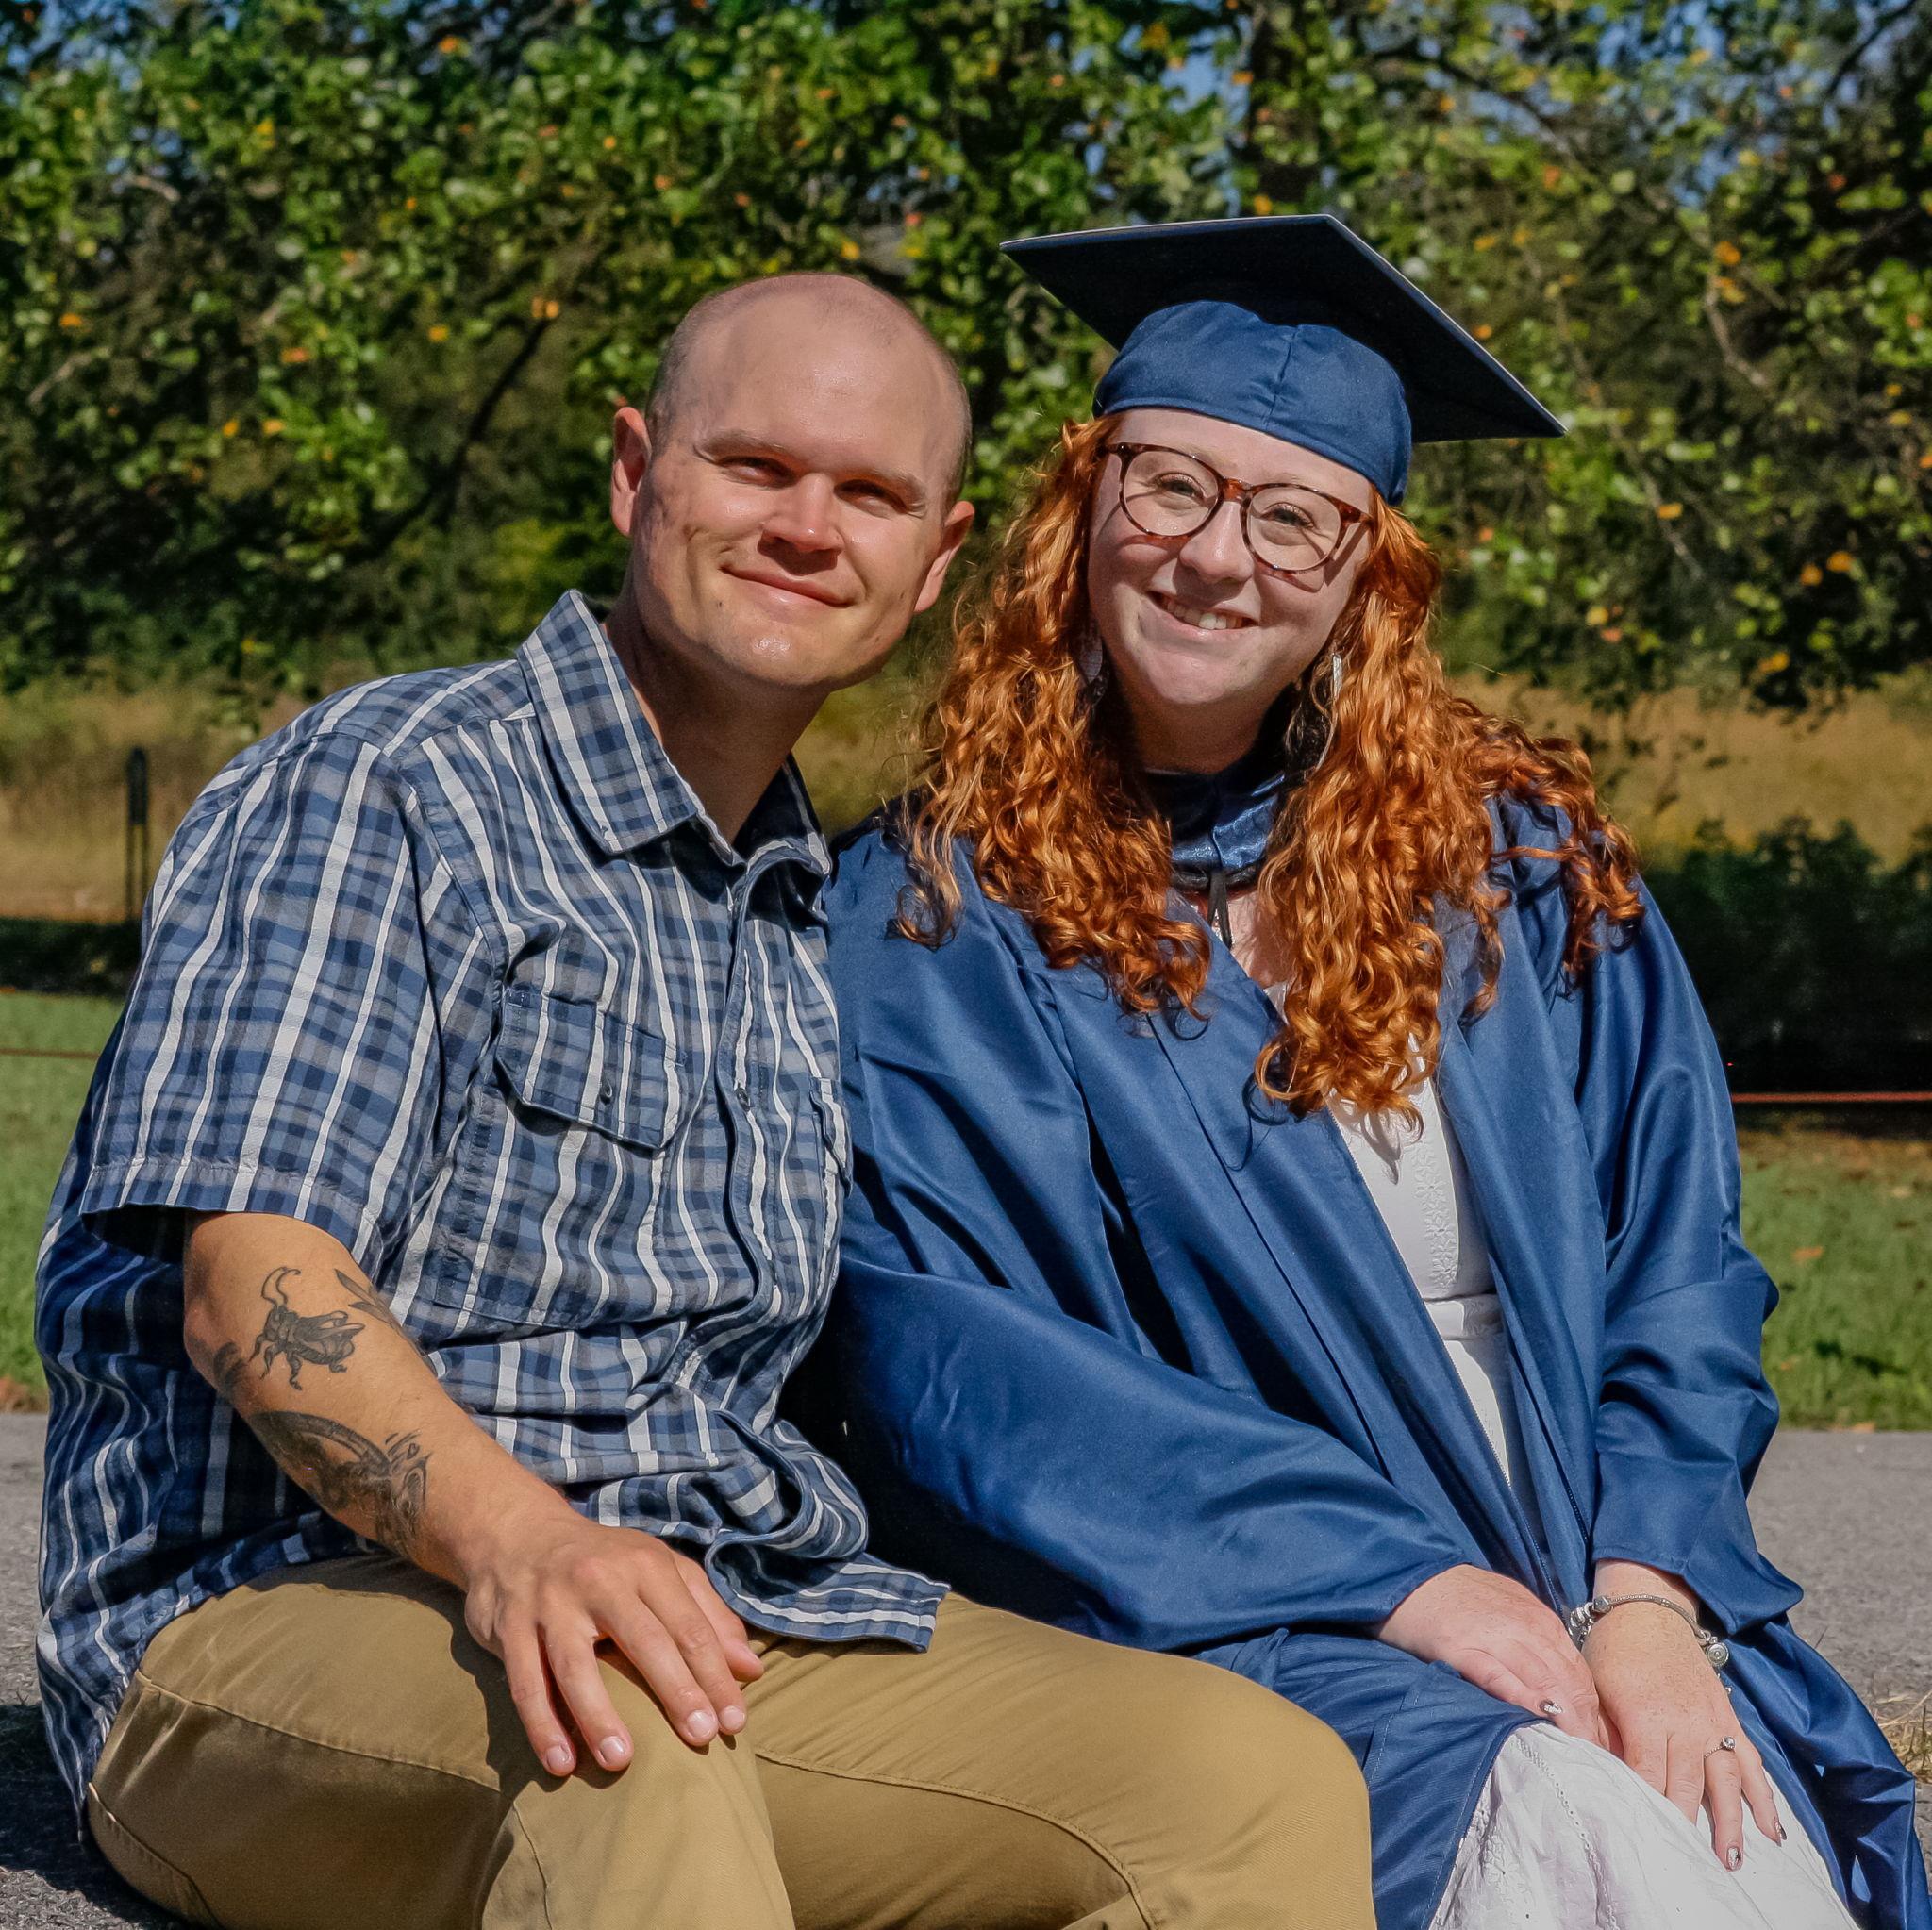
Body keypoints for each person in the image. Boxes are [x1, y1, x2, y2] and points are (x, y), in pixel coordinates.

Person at [35, 270, 1377, 1930]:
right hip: (267, 1620)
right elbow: (255, 1287)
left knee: (1254, 1778)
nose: (808, 526)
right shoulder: (397, 785)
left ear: (935, 558)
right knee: (618, 1735)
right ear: (634, 472)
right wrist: (525, 1541)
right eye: (755, 466)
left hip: (723, 1603)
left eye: (869, 493)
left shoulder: (815, 905)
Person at [819, 218, 1931, 1930]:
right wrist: (1404, 1579)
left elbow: (1680, 1267)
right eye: (1170, 486)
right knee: (1599, 1850)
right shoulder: (934, 916)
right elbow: (956, 1366)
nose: (1217, 556)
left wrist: (1650, 1594)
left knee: (1742, 1846)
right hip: (1227, 1618)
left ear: (1368, 575)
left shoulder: (1520, 868)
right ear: (1079, 511)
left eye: (1293, 517)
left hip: (1595, 1569)